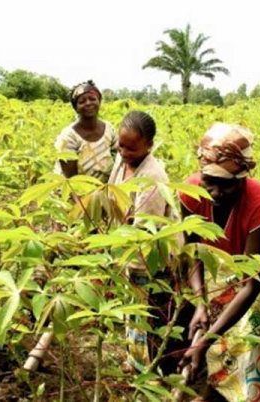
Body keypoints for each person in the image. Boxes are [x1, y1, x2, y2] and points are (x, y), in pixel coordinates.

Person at [176, 123, 260, 401]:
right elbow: (193, 252)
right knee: (207, 340)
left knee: (245, 347)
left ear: (243, 178)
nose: (217, 193)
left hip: (253, 281)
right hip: (212, 273)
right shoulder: (190, 191)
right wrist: (199, 302)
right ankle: (208, 394)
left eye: (227, 185)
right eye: (211, 182)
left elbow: (250, 284)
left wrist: (207, 340)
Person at [108, 110, 184, 375]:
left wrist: (115, 255)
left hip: (151, 255)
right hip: (128, 249)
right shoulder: (121, 160)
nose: (124, 151)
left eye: (132, 147)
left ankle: (148, 370)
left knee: (148, 313)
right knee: (133, 311)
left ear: (149, 145)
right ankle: (135, 361)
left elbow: (145, 228)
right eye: (121, 144)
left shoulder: (152, 175)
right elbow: (111, 195)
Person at [55, 80, 117, 183]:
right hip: (78, 192)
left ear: (99, 102)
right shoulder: (68, 137)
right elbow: (70, 180)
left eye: (92, 99)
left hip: (105, 190)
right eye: (82, 101)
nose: (88, 103)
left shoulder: (109, 128)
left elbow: (120, 157)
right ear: (76, 108)